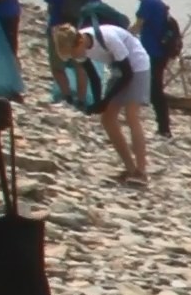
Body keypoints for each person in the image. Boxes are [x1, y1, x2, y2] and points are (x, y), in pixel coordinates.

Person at [52, 23, 150, 186]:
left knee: (131, 115)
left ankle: (141, 171)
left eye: (73, 53)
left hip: (137, 65)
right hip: (118, 69)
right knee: (107, 119)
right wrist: (98, 103)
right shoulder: (78, 46)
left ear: (80, 42)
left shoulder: (108, 39)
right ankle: (130, 169)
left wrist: (105, 101)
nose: (75, 57)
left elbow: (127, 74)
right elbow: (94, 77)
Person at [44, 0, 100, 103]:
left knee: (57, 66)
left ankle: (67, 96)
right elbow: (96, 6)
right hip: (81, 27)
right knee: (80, 66)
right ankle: (81, 100)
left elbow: (50, 4)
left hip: (58, 26)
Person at [126, 0, 175, 138]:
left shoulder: (147, 2)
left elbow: (137, 26)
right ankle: (162, 126)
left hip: (154, 52)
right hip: (159, 51)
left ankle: (164, 128)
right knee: (154, 88)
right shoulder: (158, 1)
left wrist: (123, 36)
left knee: (155, 90)